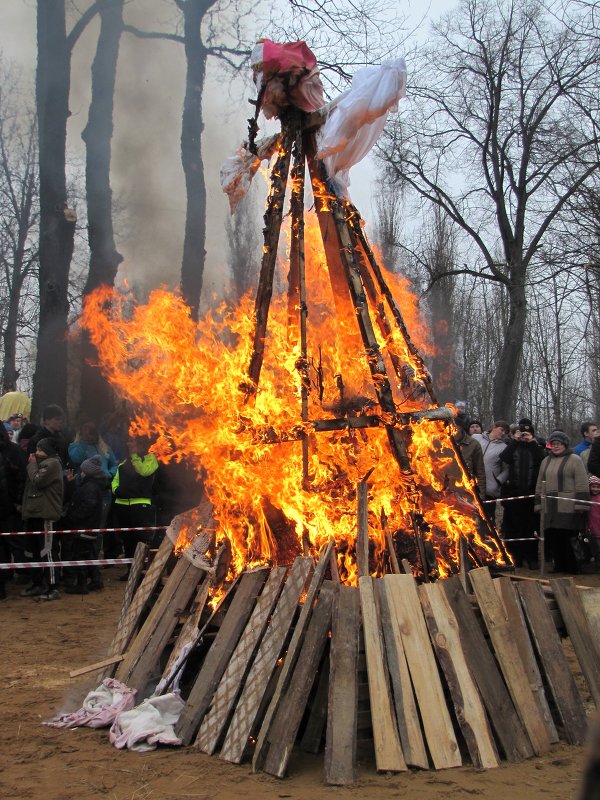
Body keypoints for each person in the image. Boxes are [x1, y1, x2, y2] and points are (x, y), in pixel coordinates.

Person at [535, 430, 590, 574]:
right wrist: (538, 503)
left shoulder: (575, 459)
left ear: (565, 444)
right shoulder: (545, 461)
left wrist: (581, 504)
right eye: (553, 444)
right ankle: (558, 566)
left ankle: (573, 567)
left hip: (568, 506)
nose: (556, 446)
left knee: (569, 538)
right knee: (554, 538)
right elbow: (540, 483)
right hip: (550, 507)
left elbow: (582, 482)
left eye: (559, 443)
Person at [20, 438, 64, 600]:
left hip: (46, 514)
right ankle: (37, 583)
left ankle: (53, 587)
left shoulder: (52, 464)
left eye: (40, 449)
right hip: (33, 514)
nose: (36, 453)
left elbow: (38, 480)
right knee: (32, 552)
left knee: (48, 551)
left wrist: (31, 465)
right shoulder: (40, 464)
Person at [499, 421, 546, 568]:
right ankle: (516, 557)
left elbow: (542, 460)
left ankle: (531, 557)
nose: (524, 435)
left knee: (531, 528)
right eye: (522, 433)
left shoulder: (536, 448)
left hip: (531, 495)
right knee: (513, 528)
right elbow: (504, 457)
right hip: (514, 494)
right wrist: (515, 441)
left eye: (527, 433)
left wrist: (532, 442)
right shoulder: (513, 447)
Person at [112, 436, 159, 579]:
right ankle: (130, 570)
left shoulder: (150, 458)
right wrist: (117, 491)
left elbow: (144, 471)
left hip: (141, 505)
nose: (129, 444)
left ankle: (143, 570)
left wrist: (135, 456)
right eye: (128, 441)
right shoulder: (124, 462)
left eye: (132, 441)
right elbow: (115, 481)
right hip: (122, 505)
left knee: (142, 538)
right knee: (127, 539)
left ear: (140, 443)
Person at [63, 455, 106, 594]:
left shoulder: (90, 487)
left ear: (87, 472)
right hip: (88, 527)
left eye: (82, 471)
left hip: (84, 528)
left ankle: (81, 585)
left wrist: (73, 517)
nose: (80, 473)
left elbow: (87, 506)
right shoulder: (91, 485)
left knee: (80, 556)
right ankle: (95, 581)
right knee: (89, 555)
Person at [0, 425, 27, 600]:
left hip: (8, 506)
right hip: (6, 504)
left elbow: (21, 478)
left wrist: (17, 501)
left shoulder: (13, 451)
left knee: (14, 542)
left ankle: (23, 574)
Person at [472, 421, 510, 524]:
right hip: (470, 484)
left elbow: (507, 469)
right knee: (469, 519)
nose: (503, 433)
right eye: (502, 430)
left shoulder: (504, 447)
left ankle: (487, 539)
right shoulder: (476, 437)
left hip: (489, 488)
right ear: (494, 427)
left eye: (505, 432)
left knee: (486, 520)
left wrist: (498, 481)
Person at [453, 426, 486, 500]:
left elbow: (480, 471)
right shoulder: (441, 441)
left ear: (461, 427)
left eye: (455, 426)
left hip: (467, 491)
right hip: (447, 491)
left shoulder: (473, 444)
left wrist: (481, 495)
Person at [586, 474, 600, 565]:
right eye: (593, 486)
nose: (595, 489)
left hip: (599, 526)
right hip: (591, 527)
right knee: (593, 546)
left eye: (598, 487)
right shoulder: (587, 499)